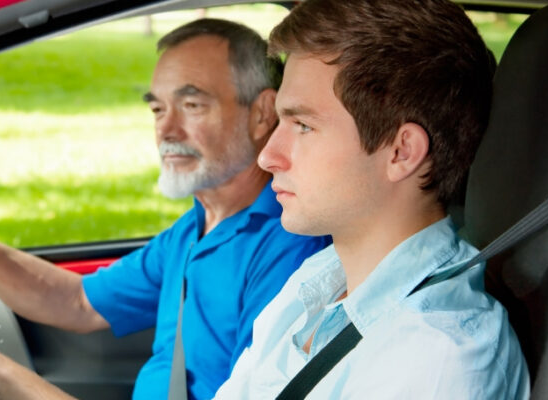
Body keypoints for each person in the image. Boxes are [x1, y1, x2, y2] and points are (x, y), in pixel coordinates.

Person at [0, 18, 331, 400]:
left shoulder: (289, 246)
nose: (166, 130)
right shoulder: (194, 229)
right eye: (157, 109)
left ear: (263, 113)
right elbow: (77, 302)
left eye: (192, 104)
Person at [211, 0, 531, 398]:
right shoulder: (317, 282)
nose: (268, 156)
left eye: (304, 125)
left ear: (400, 152)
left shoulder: (435, 359)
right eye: (281, 121)